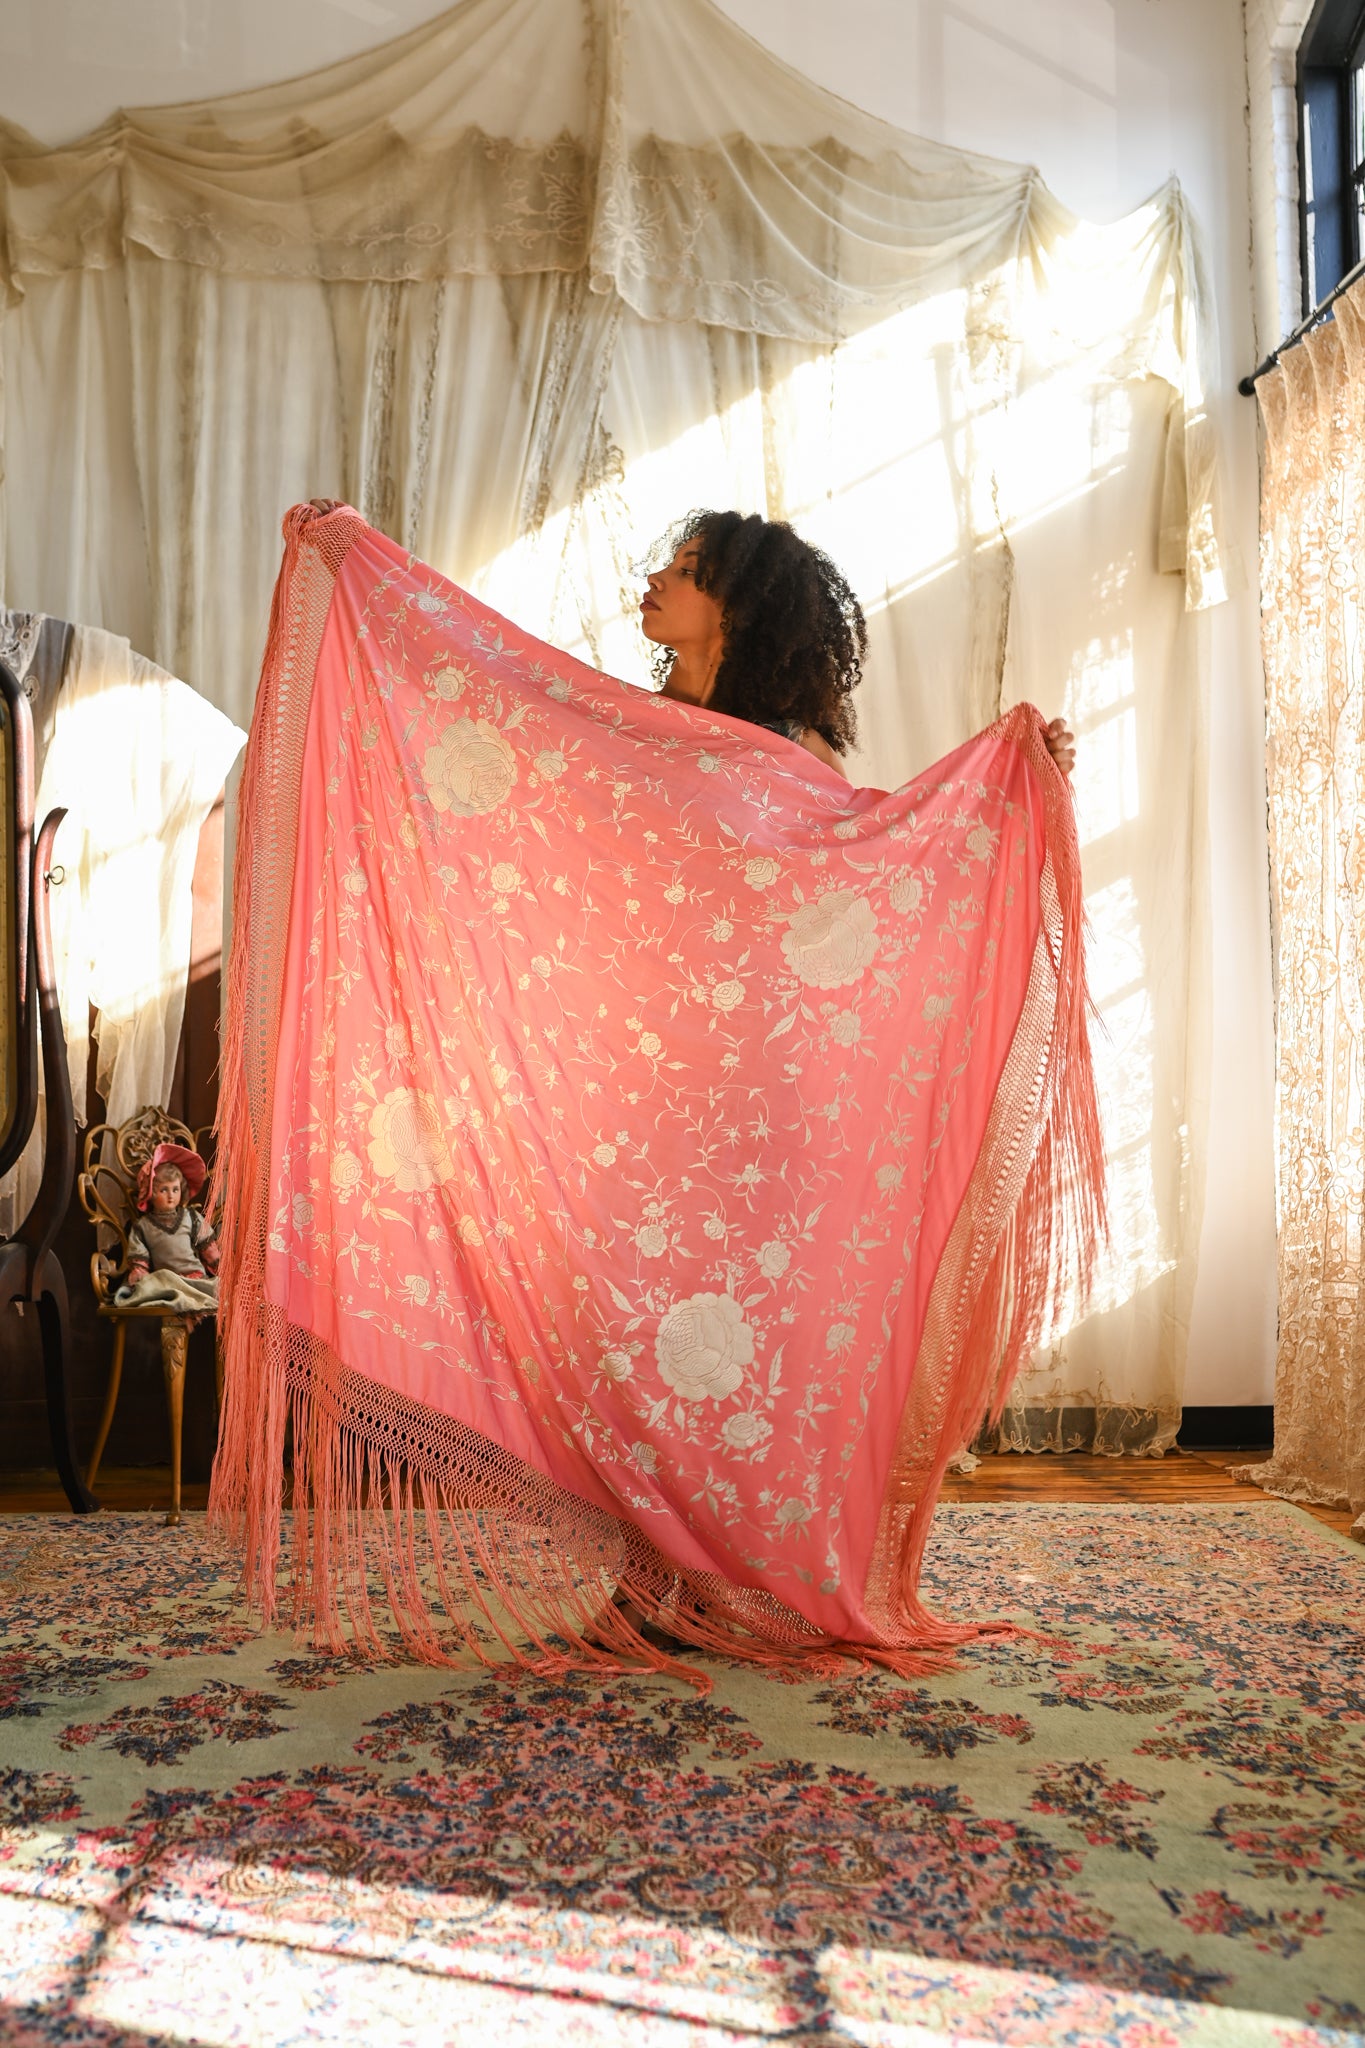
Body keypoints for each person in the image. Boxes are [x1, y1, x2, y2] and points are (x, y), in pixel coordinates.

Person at [639, 507, 1077, 779]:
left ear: (742, 609)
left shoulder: (792, 751)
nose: (654, 578)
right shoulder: (622, 720)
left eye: (687, 572)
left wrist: (1029, 780)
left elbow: (871, 865)